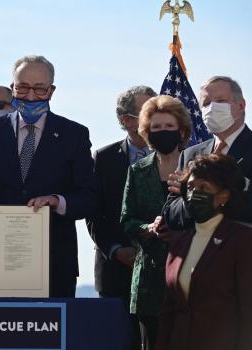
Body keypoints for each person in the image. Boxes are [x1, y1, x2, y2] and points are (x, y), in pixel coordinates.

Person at [0, 55, 97, 297]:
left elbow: (89, 197)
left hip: (54, 261)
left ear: (51, 91)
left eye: (39, 89)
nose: (31, 96)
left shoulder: (74, 134)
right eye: (23, 87)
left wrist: (57, 201)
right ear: (13, 87)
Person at [162, 76, 252, 303]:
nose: (211, 108)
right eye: (205, 103)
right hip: (197, 271)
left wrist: (207, 200)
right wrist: (200, 201)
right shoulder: (191, 154)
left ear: (241, 106)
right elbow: (171, 211)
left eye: (220, 100)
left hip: (247, 272)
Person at [157, 154, 252, 350]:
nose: (194, 194)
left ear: (223, 196)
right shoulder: (179, 243)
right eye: (190, 188)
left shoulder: (243, 240)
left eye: (203, 188)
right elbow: (169, 311)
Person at [87, 85, 156, 349]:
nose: (156, 115)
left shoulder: (177, 156)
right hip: (115, 275)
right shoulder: (103, 159)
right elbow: (94, 214)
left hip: (162, 276)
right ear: (126, 120)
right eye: (148, 110)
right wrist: (117, 250)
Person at [120, 95, 191, 349]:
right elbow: (127, 220)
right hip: (149, 279)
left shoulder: (194, 167)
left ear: (181, 130)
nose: (162, 132)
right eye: (156, 128)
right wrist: (149, 228)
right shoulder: (137, 170)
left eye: (168, 127)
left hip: (190, 273)